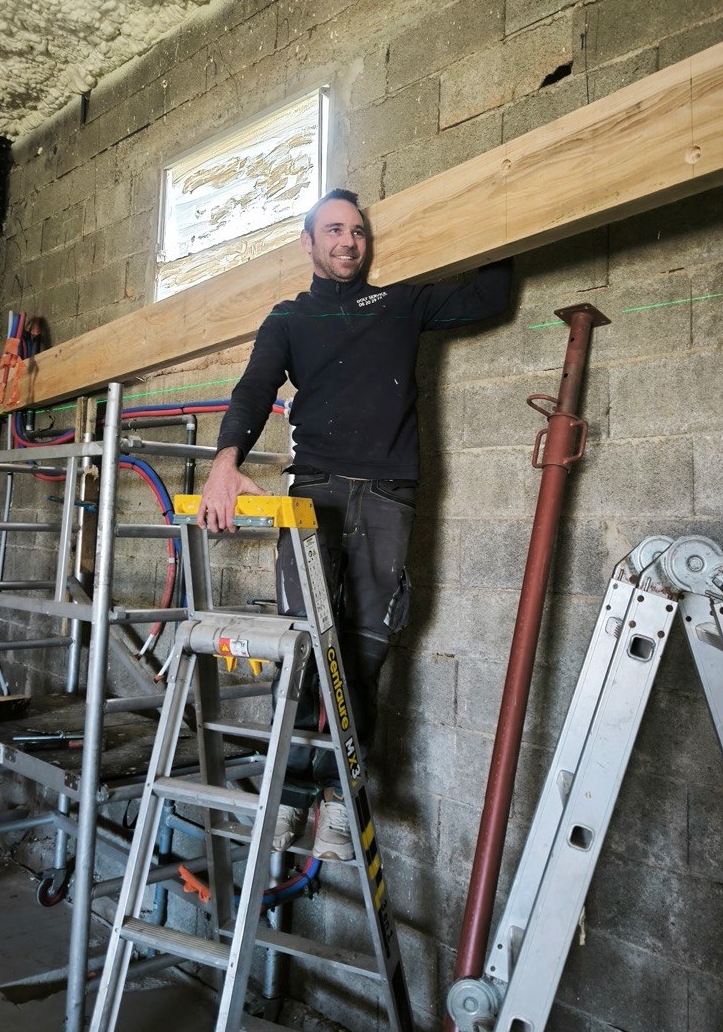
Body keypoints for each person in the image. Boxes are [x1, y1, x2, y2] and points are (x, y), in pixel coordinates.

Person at [198, 189, 512, 859]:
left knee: (367, 647)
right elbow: (253, 390)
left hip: (392, 494)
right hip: (318, 494)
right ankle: (288, 798)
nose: (348, 241)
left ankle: (338, 798)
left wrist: (502, 209)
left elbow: (491, 297)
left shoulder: (400, 303)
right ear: (308, 243)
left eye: (359, 232)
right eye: (334, 230)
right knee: (305, 644)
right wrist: (225, 464)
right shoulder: (290, 318)